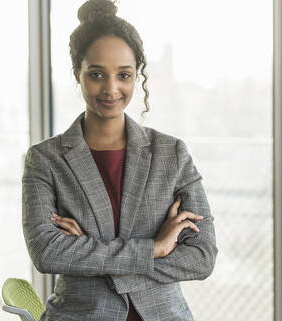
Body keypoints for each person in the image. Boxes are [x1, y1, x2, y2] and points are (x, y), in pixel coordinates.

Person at [21, 0, 217, 320]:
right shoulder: (45, 160)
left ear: (136, 76)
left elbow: (201, 257)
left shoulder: (172, 154)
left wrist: (88, 252)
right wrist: (153, 249)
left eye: (123, 75)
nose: (111, 89)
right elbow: (47, 252)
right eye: (97, 74)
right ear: (77, 74)